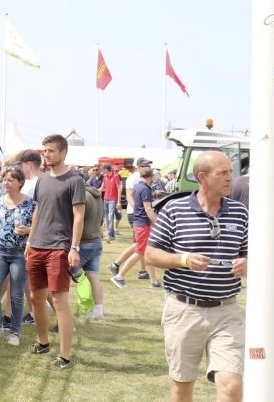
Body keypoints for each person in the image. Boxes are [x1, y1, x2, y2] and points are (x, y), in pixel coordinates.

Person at [145, 151, 248, 402]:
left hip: (227, 311)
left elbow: (249, 252)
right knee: (182, 387)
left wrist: (247, 263)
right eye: (222, 173)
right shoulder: (174, 209)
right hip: (184, 310)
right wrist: (183, 260)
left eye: (230, 172)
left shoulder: (240, 212)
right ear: (202, 177)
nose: (229, 178)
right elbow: (150, 254)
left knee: (231, 384)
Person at [25, 134, 86, 369]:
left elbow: (79, 215)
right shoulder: (41, 180)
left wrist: (74, 247)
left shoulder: (75, 180)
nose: (46, 154)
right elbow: (39, 210)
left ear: (63, 152)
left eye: (50, 151)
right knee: (35, 297)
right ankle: (43, 342)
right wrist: (30, 242)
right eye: (45, 150)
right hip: (37, 245)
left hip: (59, 247)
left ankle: (65, 355)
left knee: (59, 301)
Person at [0, 167, 35, 346]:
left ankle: (15, 332)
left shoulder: (31, 204)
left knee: (16, 295)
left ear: (20, 183)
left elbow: (36, 230)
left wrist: (27, 231)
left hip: (20, 254)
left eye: (10, 180)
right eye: (5, 179)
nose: (6, 182)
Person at [110, 168, 160, 288]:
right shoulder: (145, 189)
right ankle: (119, 276)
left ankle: (154, 281)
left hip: (140, 223)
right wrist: (157, 223)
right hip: (143, 224)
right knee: (140, 252)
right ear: (151, 176)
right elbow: (148, 209)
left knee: (145, 252)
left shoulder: (138, 186)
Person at [74, 179, 106, 318]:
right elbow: (101, 220)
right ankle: (98, 310)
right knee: (93, 276)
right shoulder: (98, 196)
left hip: (83, 242)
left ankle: (52, 306)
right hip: (96, 240)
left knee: (64, 274)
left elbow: (77, 220)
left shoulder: (82, 197)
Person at [102, 165, 122, 242]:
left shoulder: (115, 176)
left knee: (110, 216)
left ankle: (110, 234)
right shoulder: (105, 177)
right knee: (107, 217)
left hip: (113, 200)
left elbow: (119, 189)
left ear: (106, 169)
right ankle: (110, 233)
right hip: (106, 199)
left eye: (103, 169)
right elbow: (102, 188)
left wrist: (119, 202)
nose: (102, 171)